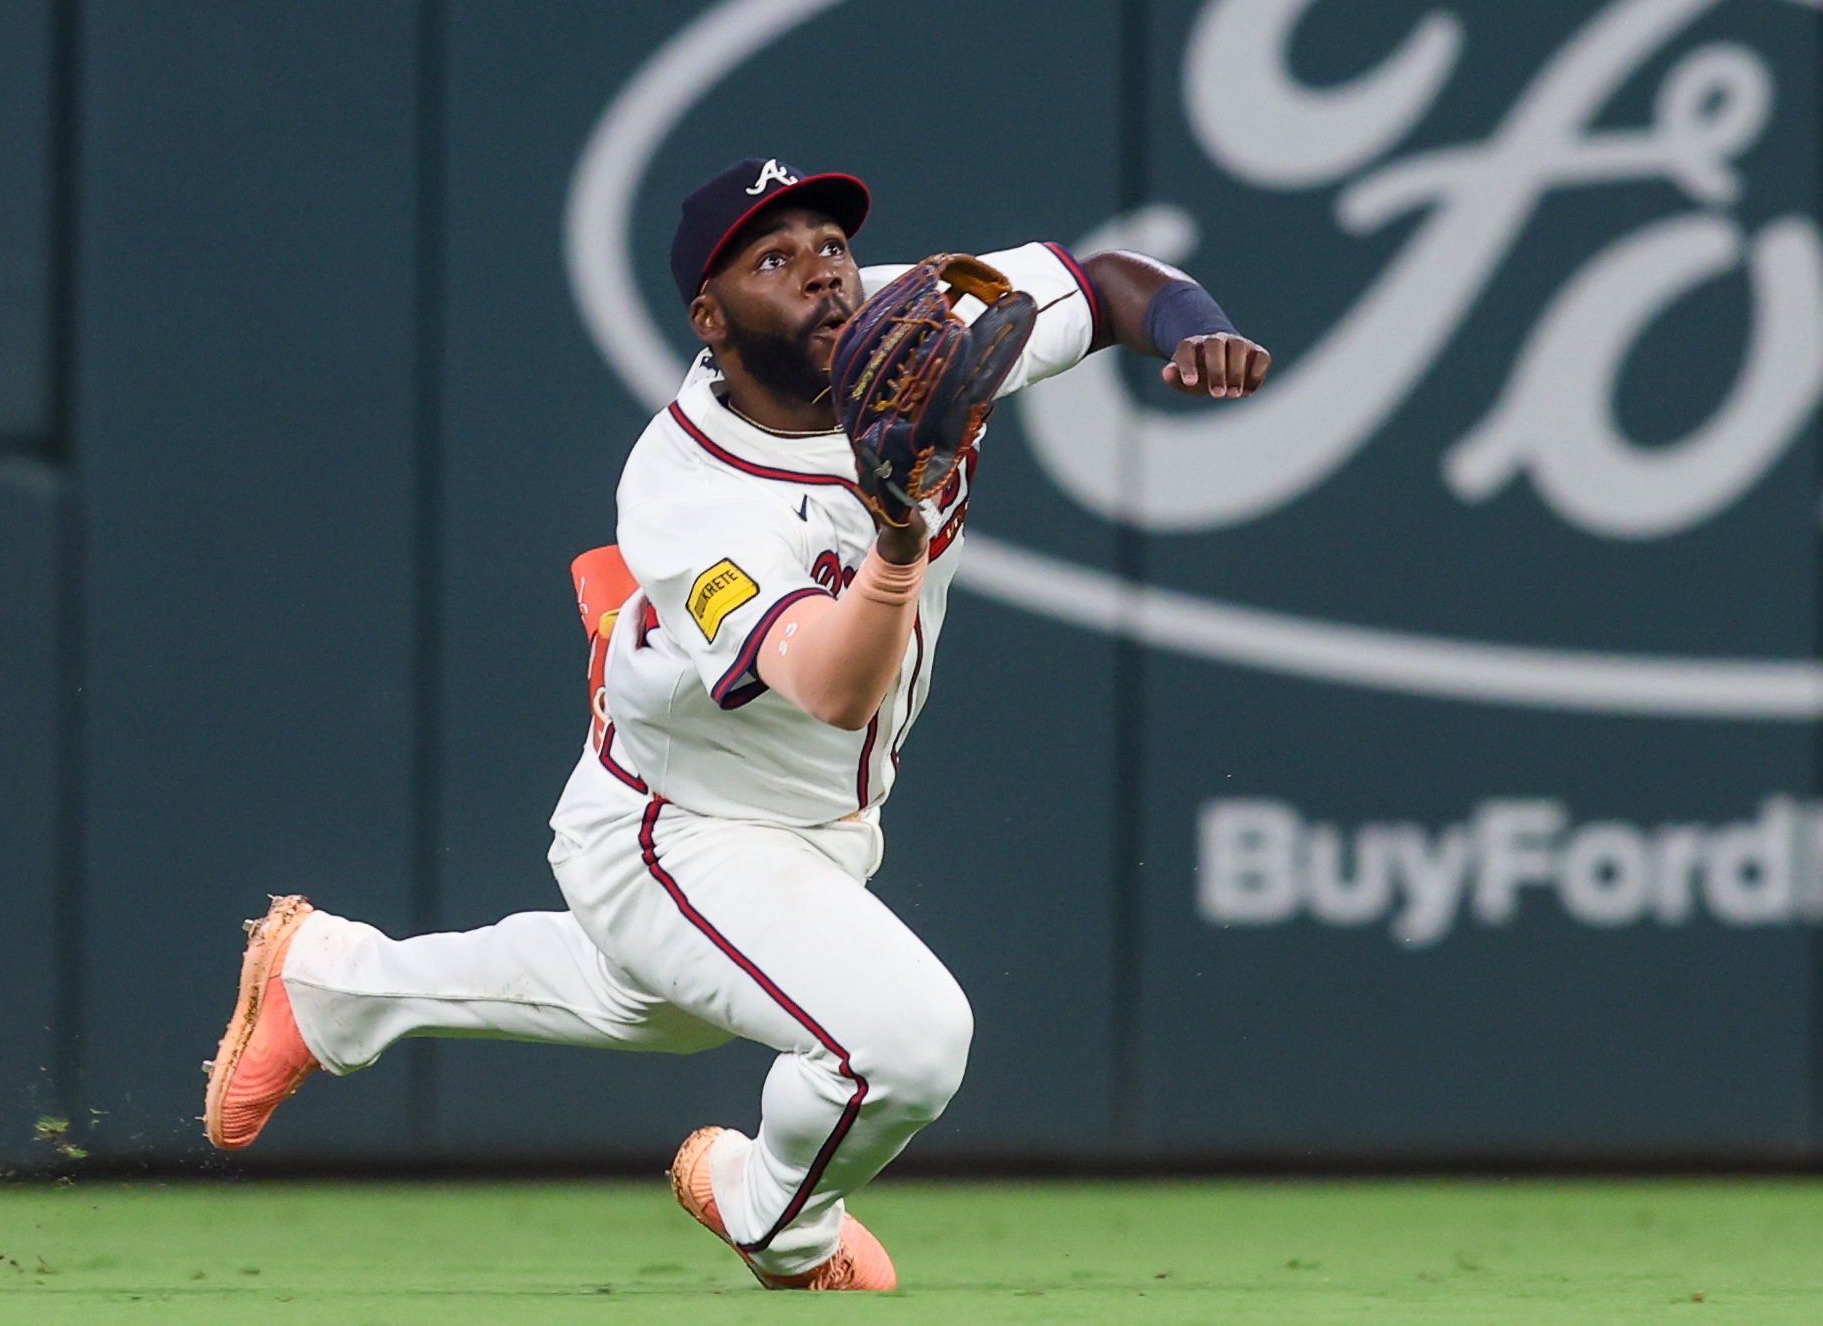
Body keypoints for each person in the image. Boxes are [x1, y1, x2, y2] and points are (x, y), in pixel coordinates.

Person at [201, 158, 1270, 1291]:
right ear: (711, 320)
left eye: (831, 244)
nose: (824, 273)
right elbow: (836, 687)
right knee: (903, 1042)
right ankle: (775, 1218)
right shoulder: (685, 491)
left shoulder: (910, 323)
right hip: (676, 824)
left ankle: (331, 980)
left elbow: (1103, 284)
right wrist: (897, 536)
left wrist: (1192, 327)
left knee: (647, 1004)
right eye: (775, 258)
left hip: (819, 812)